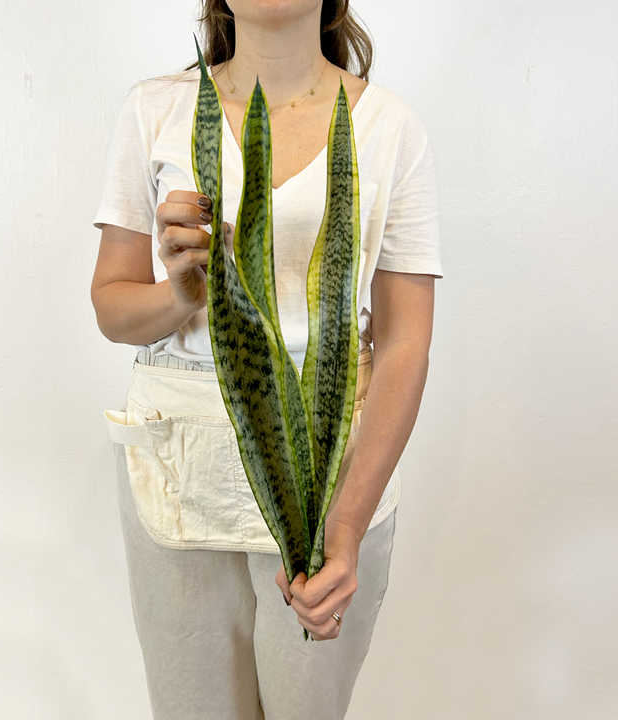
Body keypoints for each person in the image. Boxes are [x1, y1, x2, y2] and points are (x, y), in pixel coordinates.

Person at [91, 1, 443, 718]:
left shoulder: (389, 125)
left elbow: (406, 341)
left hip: (331, 472)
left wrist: (345, 529)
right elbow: (111, 309)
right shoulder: (156, 109)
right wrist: (181, 293)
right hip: (179, 456)